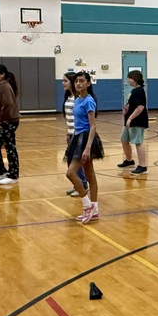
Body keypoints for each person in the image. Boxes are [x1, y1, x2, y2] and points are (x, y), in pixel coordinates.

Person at [66, 70, 104, 223]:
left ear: (88, 83)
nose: (78, 83)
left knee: (70, 173)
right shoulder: (77, 100)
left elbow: (93, 126)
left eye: (82, 81)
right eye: (76, 81)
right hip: (77, 137)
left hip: (86, 138)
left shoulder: (89, 101)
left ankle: (87, 205)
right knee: (89, 174)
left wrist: (87, 147)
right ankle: (94, 208)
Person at [0, 64, 21, 185]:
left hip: (8, 121)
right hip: (1, 122)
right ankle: (1, 172)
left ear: (2, 75)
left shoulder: (5, 87)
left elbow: (8, 104)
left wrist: (1, 119)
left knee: (9, 147)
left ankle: (13, 175)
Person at [62, 72, 88, 197]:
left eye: (65, 81)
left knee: (77, 162)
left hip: (79, 134)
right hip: (71, 133)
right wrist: (68, 132)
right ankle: (76, 184)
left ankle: (82, 185)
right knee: (70, 161)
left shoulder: (79, 99)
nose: (63, 83)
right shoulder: (68, 97)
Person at [118, 70, 149, 175]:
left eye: (129, 77)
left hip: (137, 121)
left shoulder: (140, 91)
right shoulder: (133, 91)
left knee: (138, 142)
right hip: (128, 121)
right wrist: (126, 108)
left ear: (135, 79)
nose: (128, 80)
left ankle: (142, 166)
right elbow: (131, 103)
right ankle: (129, 160)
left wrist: (130, 118)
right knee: (124, 139)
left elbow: (140, 107)